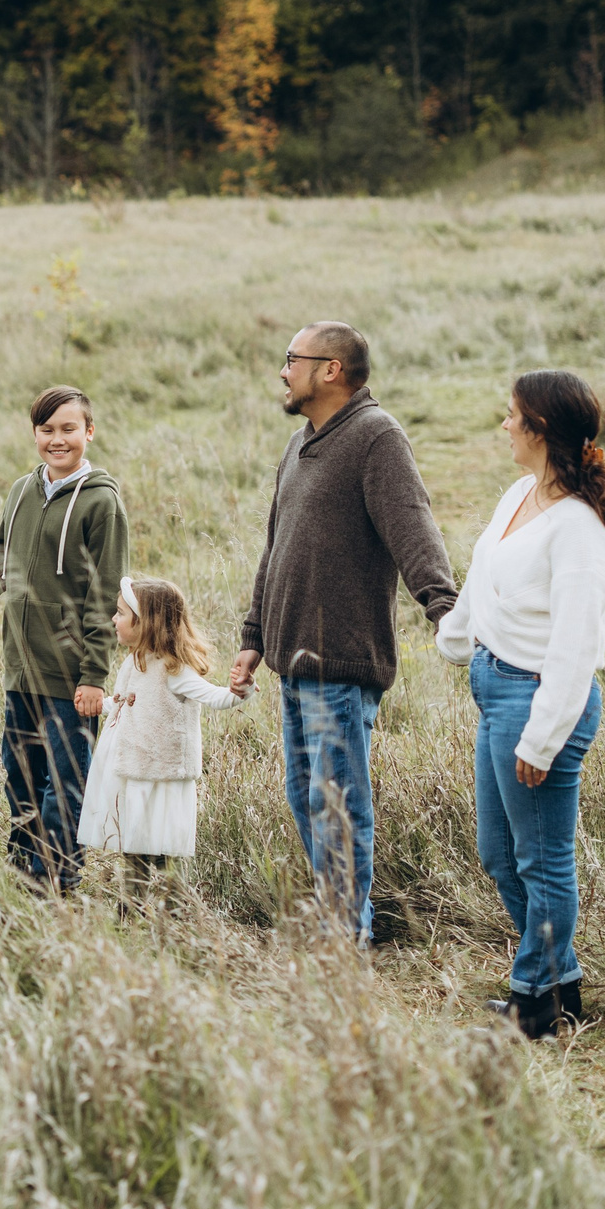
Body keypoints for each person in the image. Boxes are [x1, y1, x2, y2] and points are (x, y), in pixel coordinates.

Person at [230, 322, 457, 942]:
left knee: (337, 805)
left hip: (341, 661)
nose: (283, 372)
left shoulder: (377, 437)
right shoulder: (300, 443)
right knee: (306, 797)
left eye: (291, 359)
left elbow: (413, 527)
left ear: (330, 369)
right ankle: (345, 922)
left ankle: (345, 936)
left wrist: (445, 609)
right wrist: (253, 636)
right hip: (293, 660)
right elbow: (275, 548)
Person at [437, 369, 605, 1039]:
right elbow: (484, 576)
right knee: (499, 852)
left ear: (540, 429)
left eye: (511, 415)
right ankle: (559, 982)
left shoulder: (579, 529)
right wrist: (456, 635)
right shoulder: (520, 493)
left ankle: (537, 1004)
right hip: (496, 687)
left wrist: (544, 736)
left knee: (542, 861)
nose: (504, 425)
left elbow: (577, 645)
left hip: (540, 698)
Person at [0, 386, 128, 890]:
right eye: (47, 430)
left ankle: (56, 878)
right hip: (20, 667)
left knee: (64, 783)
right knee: (19, 774)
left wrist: (93, 676)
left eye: (69, 429)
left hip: (71, 676)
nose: (57, 439)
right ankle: (22, 867)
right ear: (34, 434)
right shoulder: (21, 491)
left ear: (89, 432)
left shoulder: (102, 503)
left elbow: (105, 596)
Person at [82, 576, 246, 883]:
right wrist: (97, 705)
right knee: (133, 844)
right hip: (133, 768)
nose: (113, 619)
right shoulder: (135, 661)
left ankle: (174, 902)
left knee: (162, 850)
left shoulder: (174, 670)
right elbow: (122, 700)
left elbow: (213, 696)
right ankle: (132, 903)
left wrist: (239, 691)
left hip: (162, 776)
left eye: (121, 613)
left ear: (146, 622)